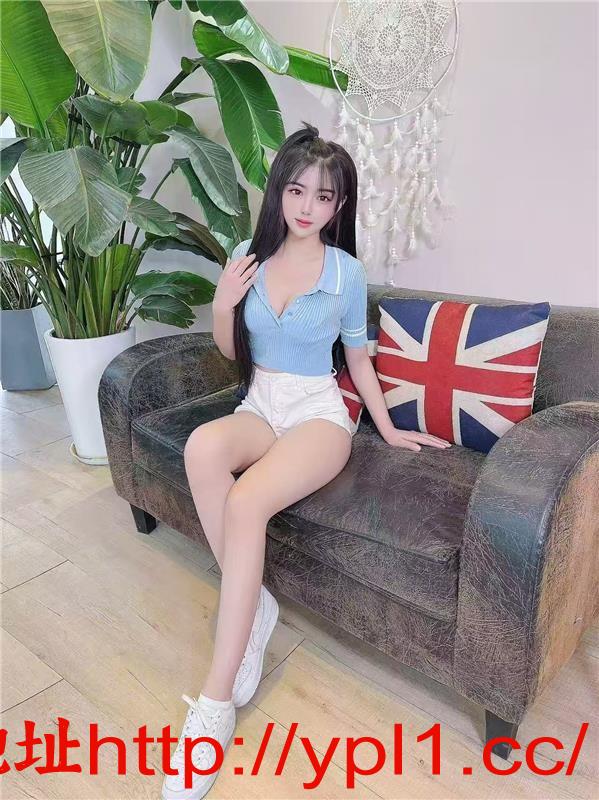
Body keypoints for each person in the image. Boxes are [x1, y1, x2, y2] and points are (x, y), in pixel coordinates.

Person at [162, 122, 450, 800]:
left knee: (245, 503)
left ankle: (214, 704)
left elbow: (357, 360)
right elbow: (230, 352)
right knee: (201, 447)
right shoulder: (247, 256)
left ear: (338, 205)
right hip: (260, 403)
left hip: (318, 414)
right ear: (278, 192)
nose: (307, 207)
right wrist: (223, 304)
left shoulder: (345, 272)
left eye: (324, 196)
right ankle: (254, 608)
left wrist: (388, 427)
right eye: (296, 190)